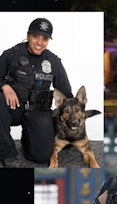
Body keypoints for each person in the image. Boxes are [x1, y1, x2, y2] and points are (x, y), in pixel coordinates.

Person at [0, 18, 73, 168]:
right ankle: (7, 153)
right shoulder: (10, 54)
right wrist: (5, 86)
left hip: (38, 110)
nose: (39, 42)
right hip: (14, 107)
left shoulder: (54, 62)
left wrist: (75, 112)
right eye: (36, 36)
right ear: (28, 36)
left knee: (41, 157)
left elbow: (66, 93)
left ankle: (29, 137)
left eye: (45, 38)